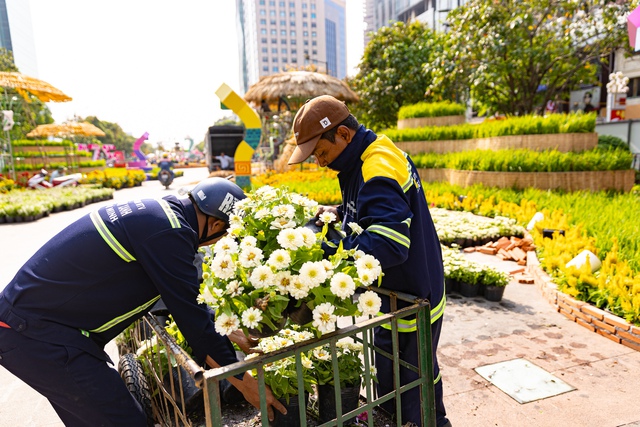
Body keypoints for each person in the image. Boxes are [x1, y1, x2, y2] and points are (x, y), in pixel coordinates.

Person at [0, 177, 286, 426]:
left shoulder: (160, 215)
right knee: (123, 420)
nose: (213, 244)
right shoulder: (170, 235)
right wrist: (247, 383)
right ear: (214, 224)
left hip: (32, 327)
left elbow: (186, 300)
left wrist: (233, 334)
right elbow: (192, 318)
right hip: (37, 335)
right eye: (222, 235)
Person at [287, 95, 450, 427]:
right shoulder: (357, 160)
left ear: (344, 135)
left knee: (413, 393)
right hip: (393, 294)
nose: (319, 162)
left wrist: (330, 250)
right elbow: (366, 215)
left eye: (322, 153)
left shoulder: (377, 165)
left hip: (413, 295)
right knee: (398, 385)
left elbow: (390, 244)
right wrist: (330, 219)